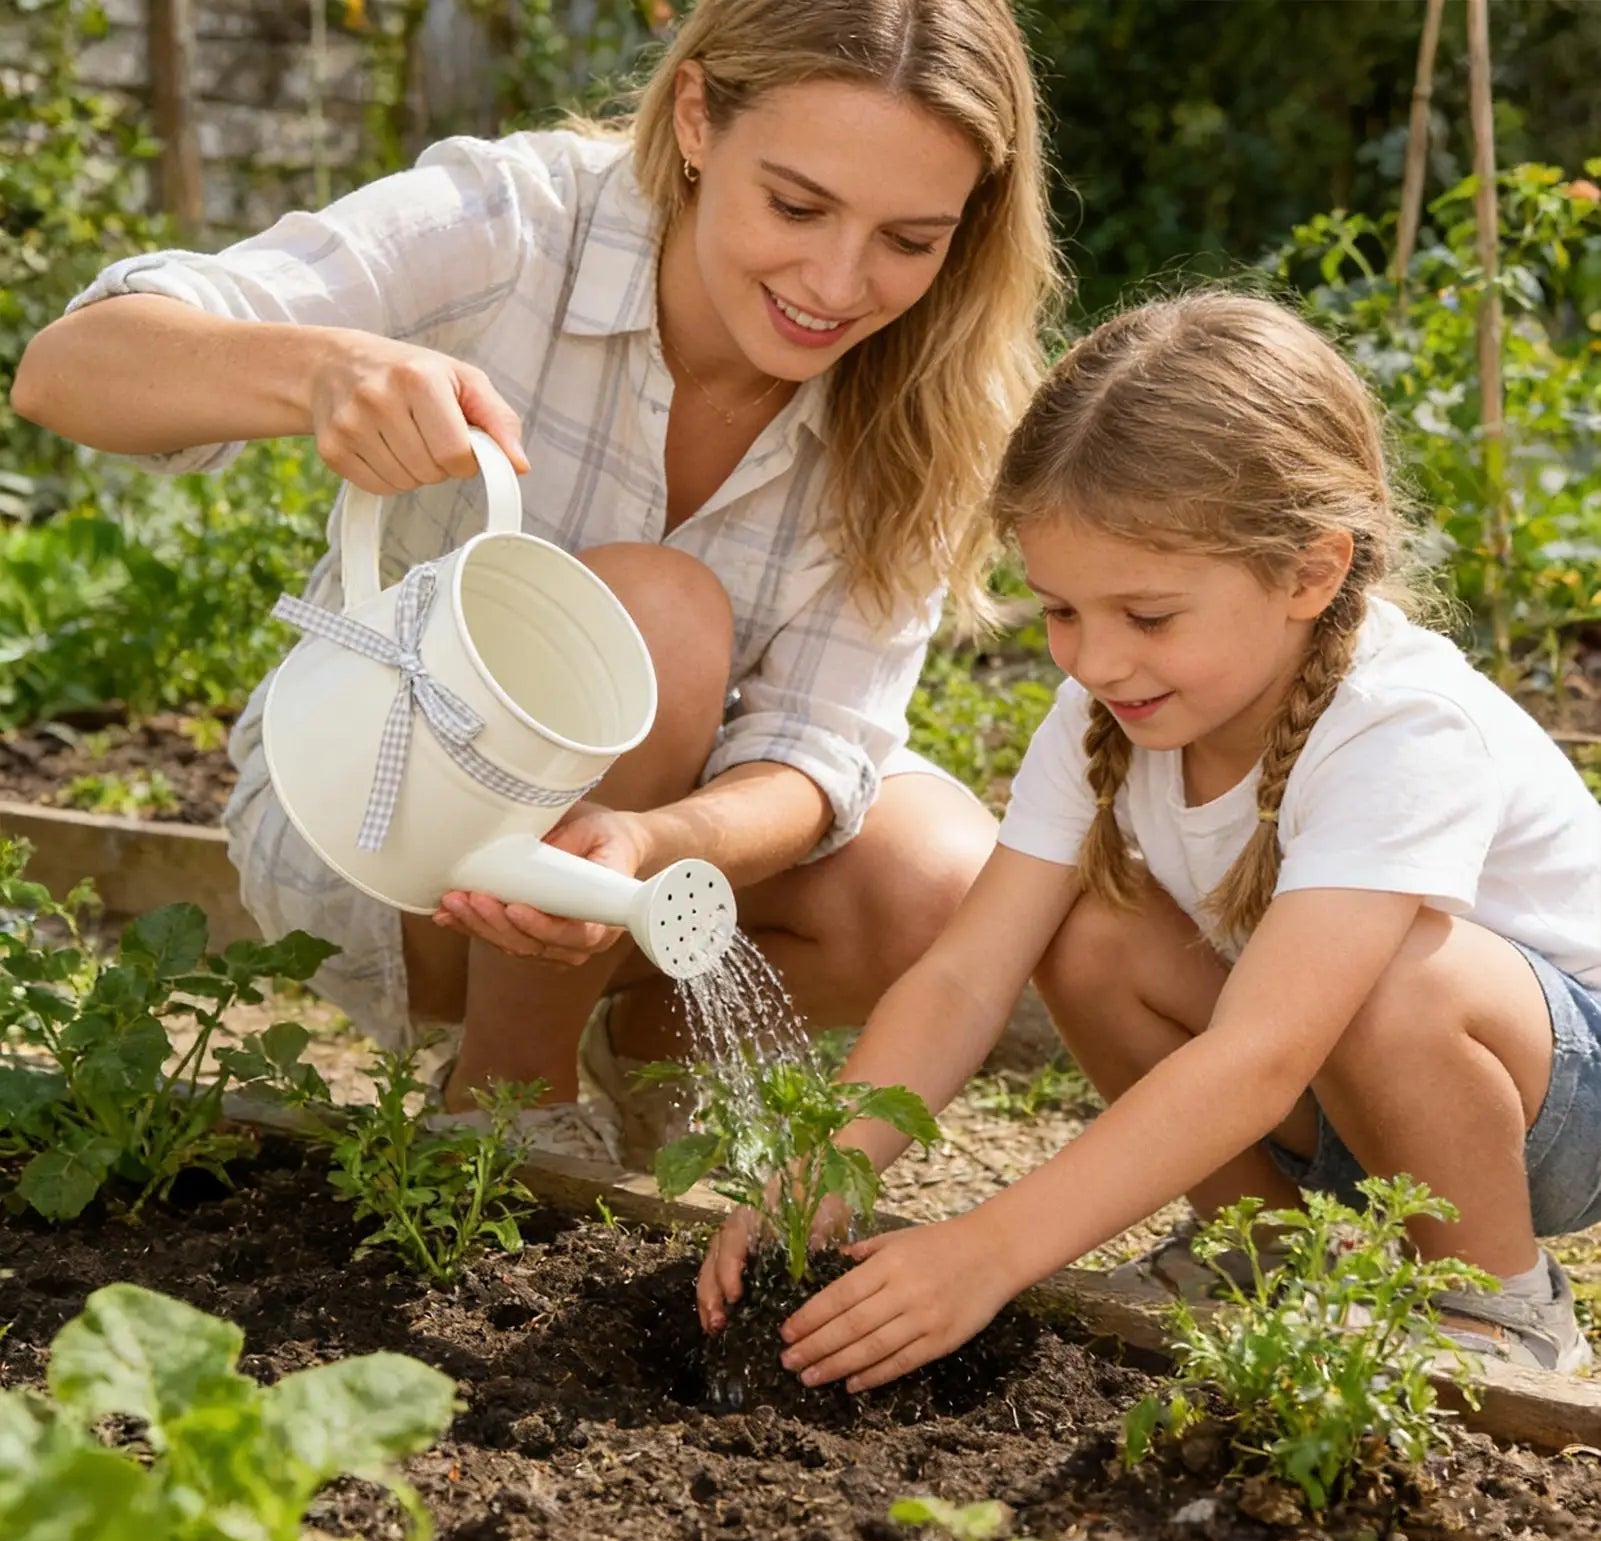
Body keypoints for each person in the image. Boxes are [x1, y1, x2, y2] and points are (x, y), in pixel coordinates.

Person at [14, 0, 1058, 1162]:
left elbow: (821, 749)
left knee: (946, 881)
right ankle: (509, 1101)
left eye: (909, 240)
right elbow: (67, 374)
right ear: (700, 115)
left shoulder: (931, 395)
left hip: (630, 859)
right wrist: (320, 371)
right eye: (796, 205)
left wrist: (650, 843)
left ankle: (648, 1054)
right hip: (392, 825)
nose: (838, 280)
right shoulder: (514, 223)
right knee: (652, 613)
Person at [699, 291, 1601, 1384]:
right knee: (1080, 928)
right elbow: (961, 977)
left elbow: (1260, 1053)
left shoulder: (1401, 725)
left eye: (1147, 615)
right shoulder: (1107, 712)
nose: (1092, 658)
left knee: (1388, 972)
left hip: (1542, 1109)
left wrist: (987, 1248)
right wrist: (817, 1173)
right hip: (1325, 1082)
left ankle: (1497, 1306)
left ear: (1308, 573)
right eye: (1060, 610)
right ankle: (1260, 1255)